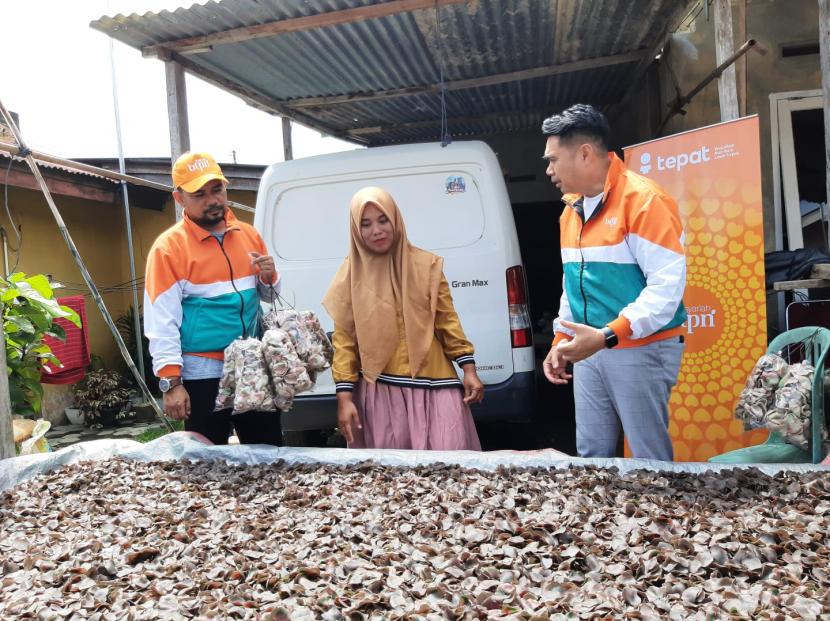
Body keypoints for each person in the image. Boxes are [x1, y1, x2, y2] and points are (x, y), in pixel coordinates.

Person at [540, 104, 687, 461]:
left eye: (553, 160)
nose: (548, 170)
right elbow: (572, 282)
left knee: (648, 456)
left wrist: (607, 335)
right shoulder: (570, 210)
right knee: (592, 455)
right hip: (591, 347)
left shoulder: (644, 200)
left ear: (585, 153)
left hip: (640, 346)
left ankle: (663, 516)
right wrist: (561, 337)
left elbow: (666, 289)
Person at [322, 187, 484, 450]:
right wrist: (345, 398)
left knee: (449, 471)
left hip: (435, 386)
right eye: (366, 224)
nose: (377, 230)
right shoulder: (350, 277)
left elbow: (447, 322)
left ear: (396, 219)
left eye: (383, 219)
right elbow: (345, 341)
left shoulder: (427, 266)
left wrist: (469, 369)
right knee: (394, 481)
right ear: (355, 230)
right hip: (381, 392)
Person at [144, 151, 283, 446]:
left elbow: (269, 295)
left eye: (217, 189)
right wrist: (171, 382)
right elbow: (161, 321)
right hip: (203, 373)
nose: (212, 200)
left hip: (253, 364)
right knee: (207, 463)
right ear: (179, 198)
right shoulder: (168, 248)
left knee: (269, 452)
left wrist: (270, 275)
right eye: (199, 194)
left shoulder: (248, 235)